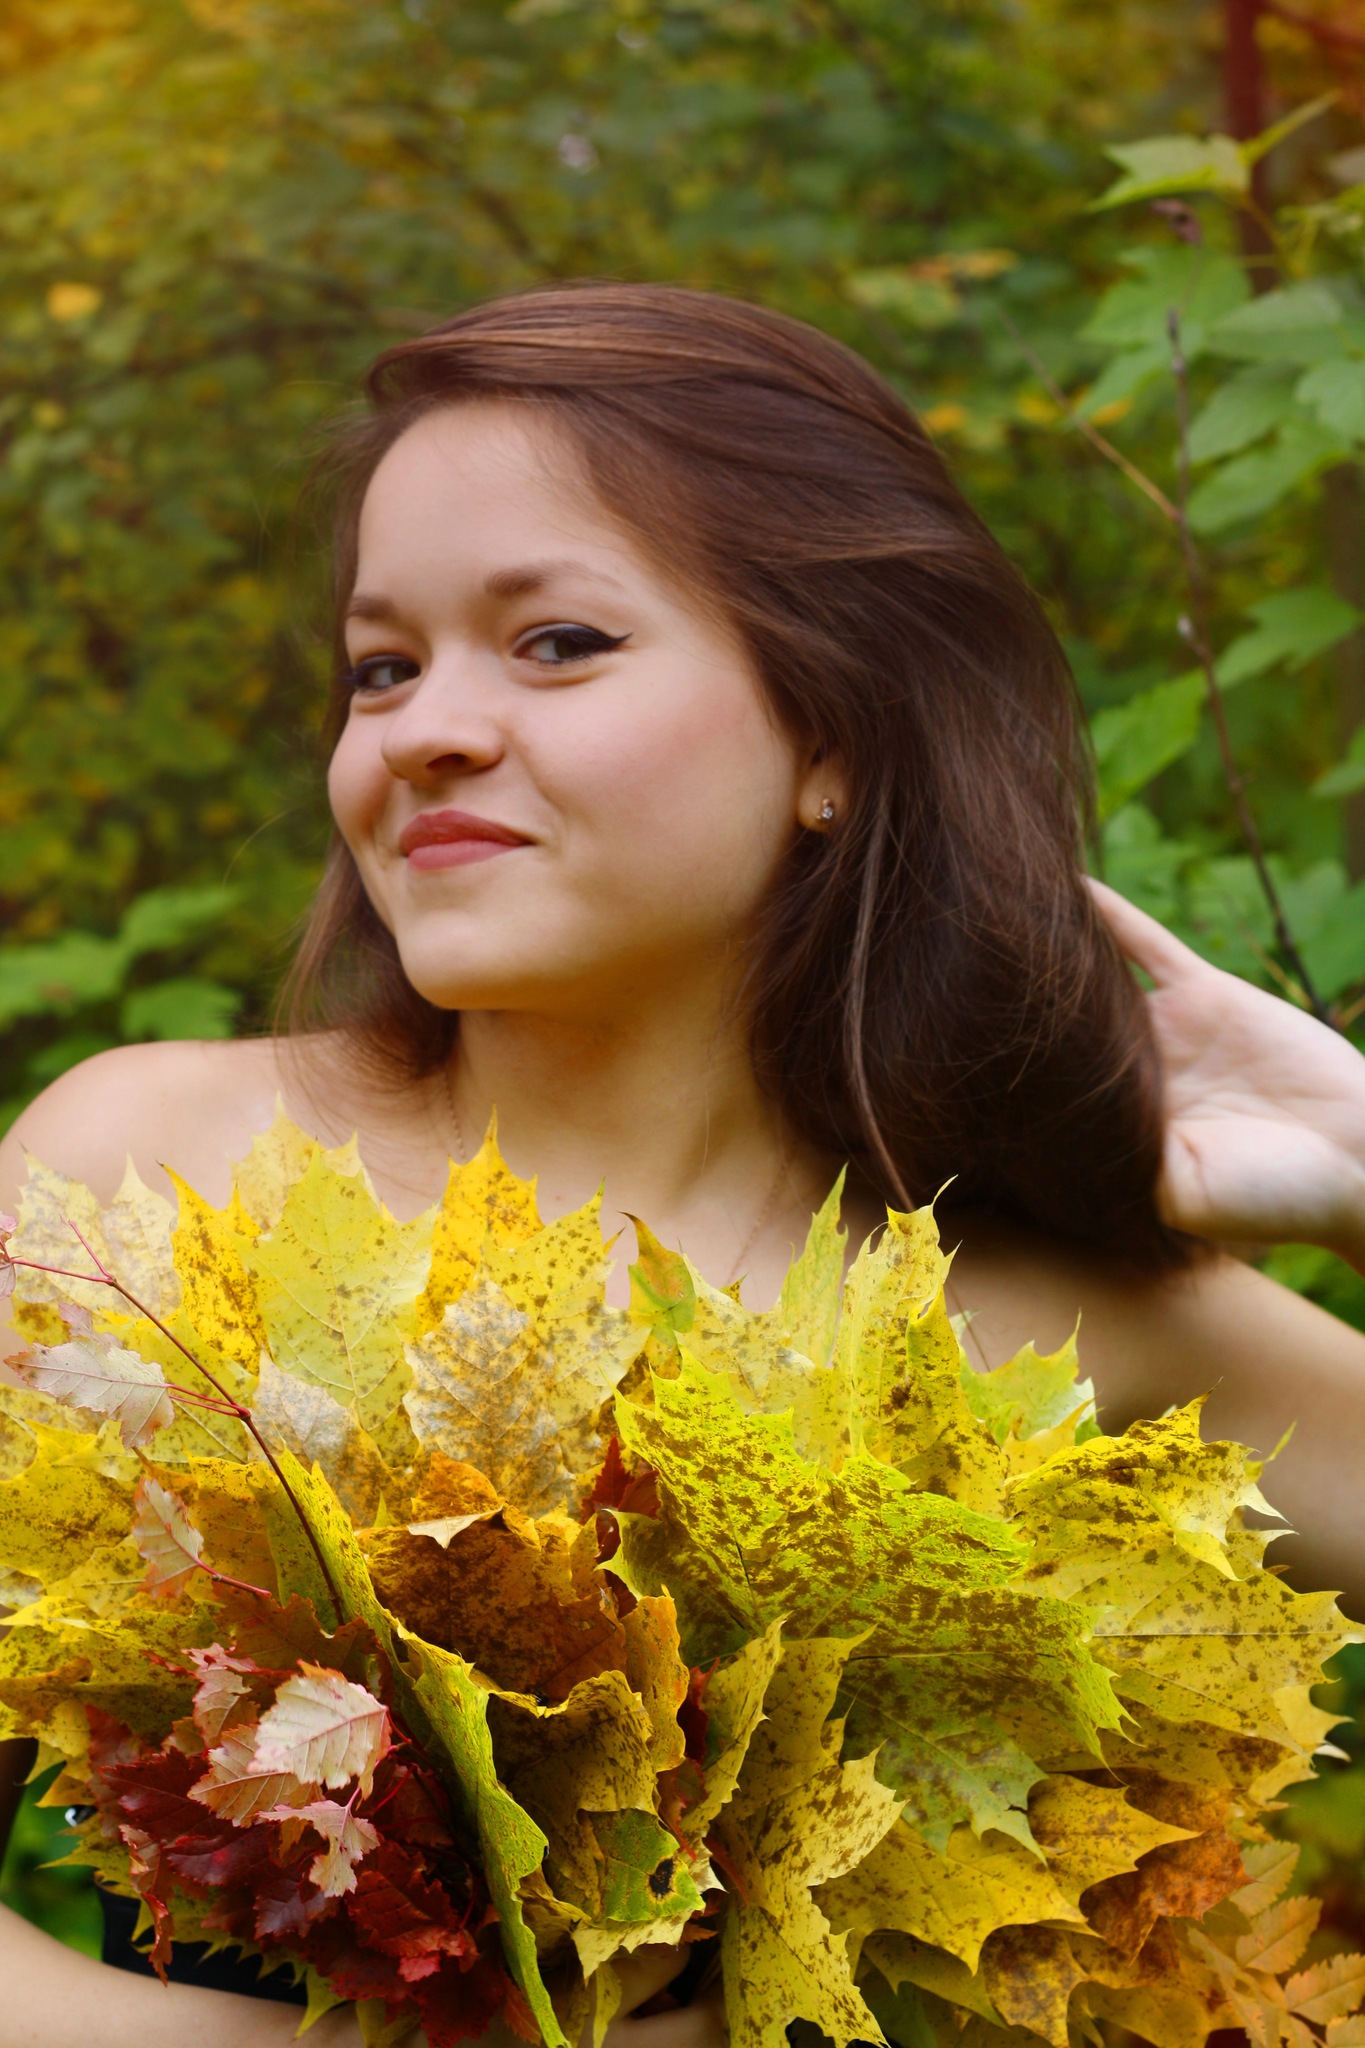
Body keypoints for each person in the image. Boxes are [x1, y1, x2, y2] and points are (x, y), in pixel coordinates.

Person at [3, 281, 1365, 2045]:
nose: (421, 729)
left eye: (556, 642)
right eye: (381, 666)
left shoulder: (1042, 1315)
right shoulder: (140, 1181)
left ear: (830, 736)